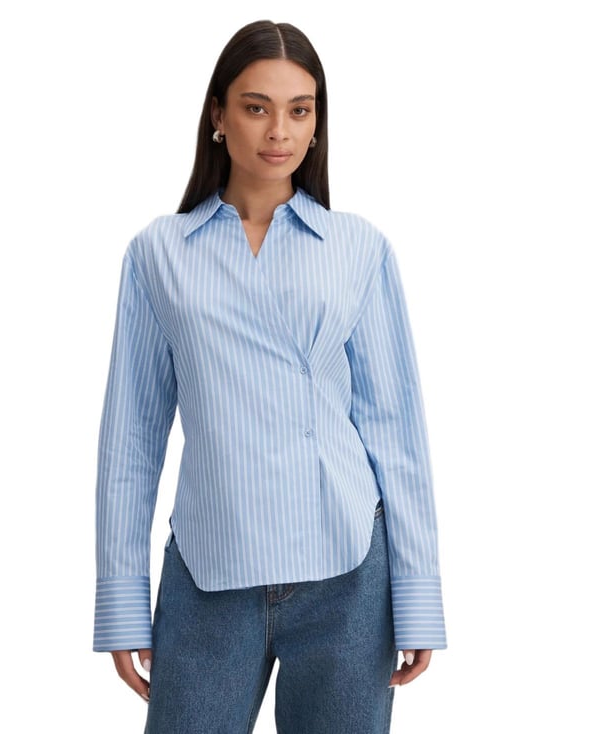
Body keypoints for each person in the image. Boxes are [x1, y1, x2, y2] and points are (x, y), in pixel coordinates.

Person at [93, 19, 447, 733]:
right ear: (218, 117)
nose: (279, 130)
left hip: (347, 573)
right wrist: (121, 600)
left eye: (299, 109)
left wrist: (418, 593)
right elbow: (131, 437)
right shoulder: (159, 253)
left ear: (317, 125)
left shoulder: (358, 248)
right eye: (256, 107)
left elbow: (395, 430)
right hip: (210, 571)